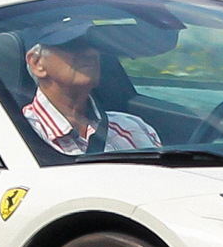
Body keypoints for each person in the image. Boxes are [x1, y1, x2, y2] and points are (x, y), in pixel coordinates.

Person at [19, 16, 162, 155]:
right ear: (37, 63)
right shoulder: (19, 136)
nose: (90, 52)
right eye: (73, 44)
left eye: (94, 44)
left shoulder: (135, 128)